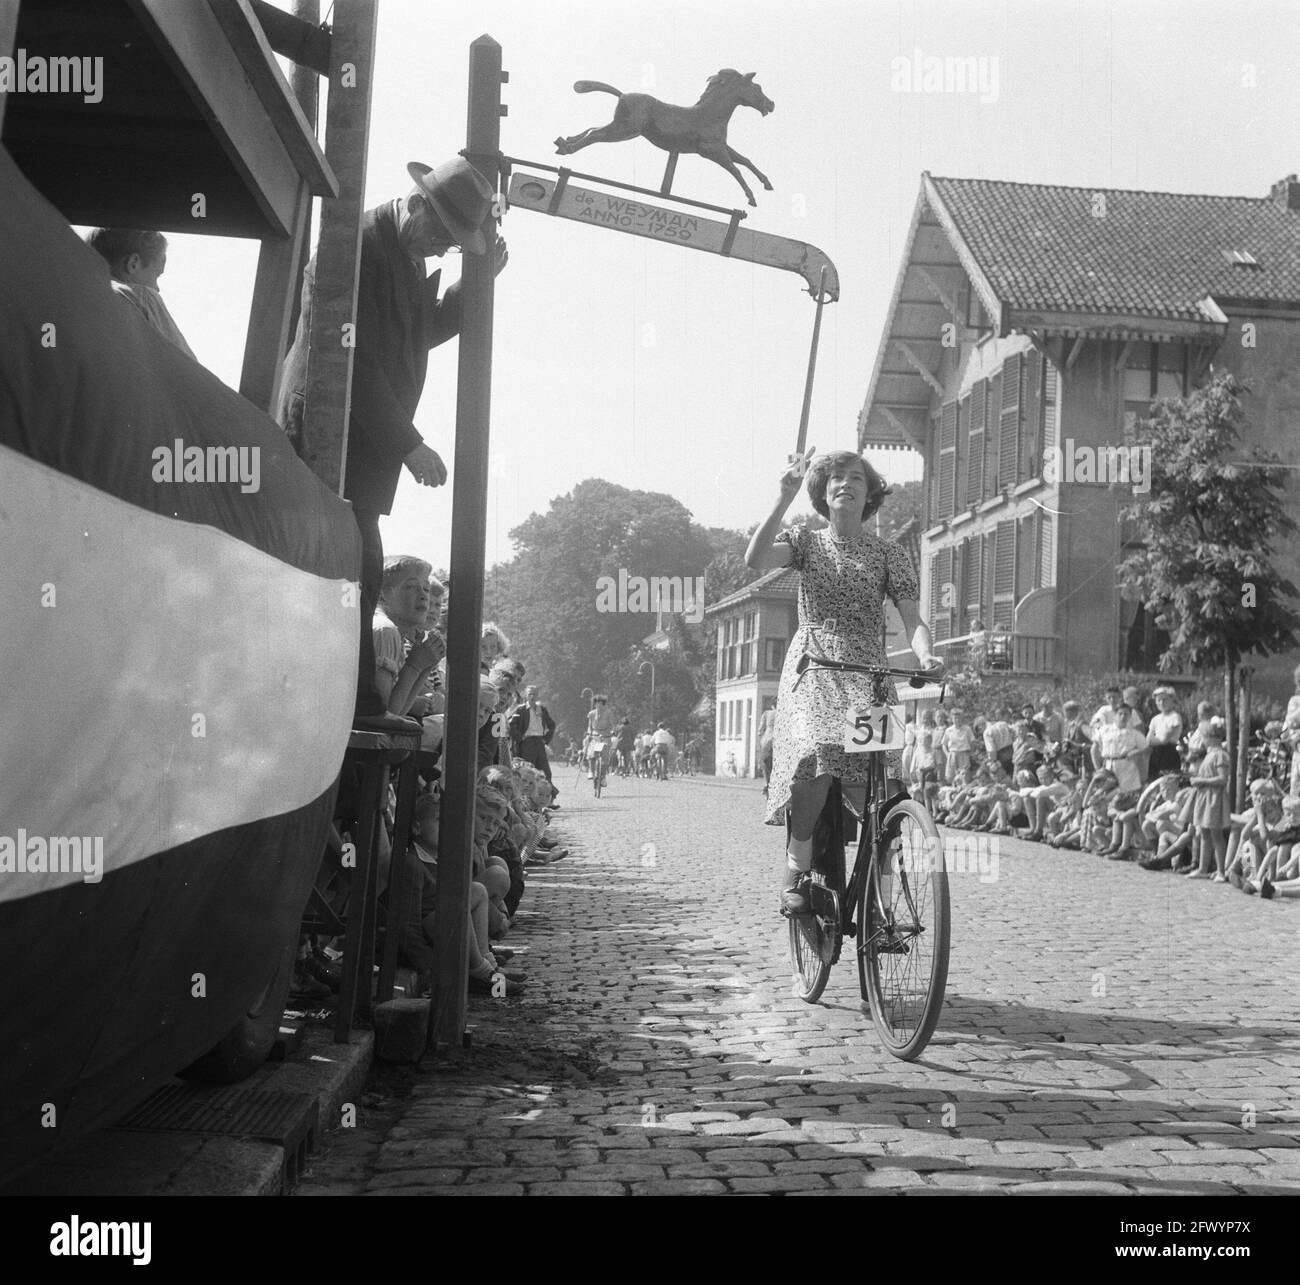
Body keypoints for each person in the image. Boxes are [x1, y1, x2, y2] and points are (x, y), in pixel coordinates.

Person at [276, 157, 506, 729]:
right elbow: (349, 359)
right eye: (441, 236)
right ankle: (347, 705)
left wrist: (471, 285)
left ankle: (350, 704)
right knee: (351, 566)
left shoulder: (399, 251)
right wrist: (409, 443)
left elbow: (417, 334)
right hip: (327, 436)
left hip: (361, 445)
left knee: (360, 568)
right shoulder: (352, 249)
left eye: (451, 246)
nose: (438, 249)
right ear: (418, 202)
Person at [745, 448, 942, 913]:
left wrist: (926, 653)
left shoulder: (889, 554)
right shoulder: (807, 544)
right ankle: (797, 863)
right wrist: (781, 497)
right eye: (834, 477)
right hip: (815, 665)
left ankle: (882, 900)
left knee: (885, 789)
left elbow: (913, 619)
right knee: (817, 752)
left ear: (869, 492)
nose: (845, 483)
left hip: (867, 671)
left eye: (856, 477)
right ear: (822, 492)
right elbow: (755, 560)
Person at [85, 227, 197, 359]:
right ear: (133, 263)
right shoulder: (140, 296)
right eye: (156, 275)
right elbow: (187, 370)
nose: (157, 288)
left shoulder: (71, 300)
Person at [508, 685, 555, 783]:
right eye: (530, 694)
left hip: (539, 742)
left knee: (546, 774)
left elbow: (551, 725)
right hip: (527, 743)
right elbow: (511, 724)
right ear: (526, 695)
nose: (532, 697)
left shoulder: (542, 709)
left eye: (534, 694)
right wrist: (520, 738)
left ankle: (545, 796)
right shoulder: (520, 709)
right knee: (528, 772)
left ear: (538, 695)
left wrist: (546, 739)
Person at [1145, 685, 1183, 780]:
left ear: (1171, 700)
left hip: (1169, 753)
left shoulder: (1175, 717)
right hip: (1156, 754)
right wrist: (1154, 740)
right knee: (1153, 781)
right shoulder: (1155, 719)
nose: (1162, 703)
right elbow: (1148, 740)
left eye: (1165, 700)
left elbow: (1165, 739)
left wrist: (1154, 740)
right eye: (1159, 700)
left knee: (1168, 781)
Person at [758, 706, 777, 794]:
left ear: (772, 705)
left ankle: (766, 784)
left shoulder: (766, 713)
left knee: (764, 762)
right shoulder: (784, 712)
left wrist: (761, 733)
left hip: (768, 739)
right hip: (779, 738)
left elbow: (760, 730)